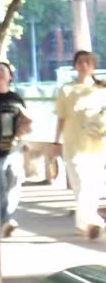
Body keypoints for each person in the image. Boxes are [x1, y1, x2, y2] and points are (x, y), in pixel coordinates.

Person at [53, 50, 106, 239]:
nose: (84, 65)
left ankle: (85, 225)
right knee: (81, 185)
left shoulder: (101, 89)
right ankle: (90, 223)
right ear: (75, 65)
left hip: (97, 145)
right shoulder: (66, 90)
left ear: (93, 65)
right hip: (73, 145)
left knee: (93, 186)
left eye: (88, 62)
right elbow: (60, 118)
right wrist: (55, 142)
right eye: (80, 62)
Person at [0, 60, 32, 238]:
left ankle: (5, 220)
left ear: (10, 76)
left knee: (13, 186)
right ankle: (4, 221)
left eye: (3, 69)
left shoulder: (16, 98)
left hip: (13, 148)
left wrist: (25, 138)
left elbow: (26, 122)